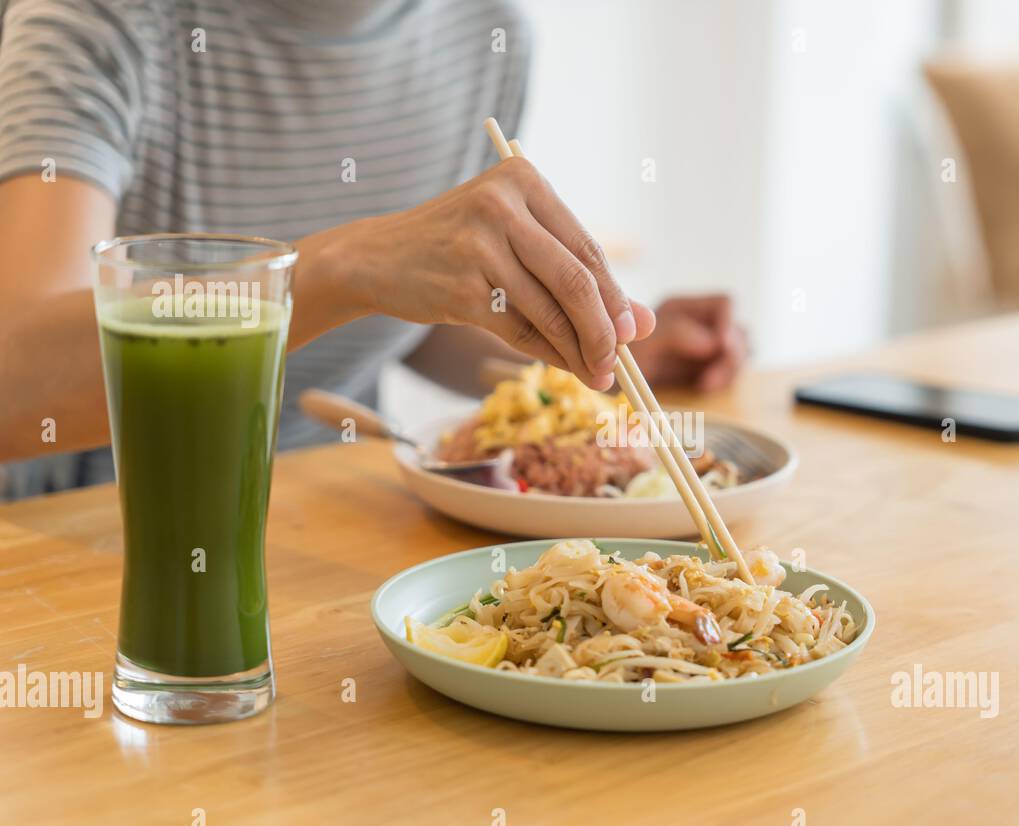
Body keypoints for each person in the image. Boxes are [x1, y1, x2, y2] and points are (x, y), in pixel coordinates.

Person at [0, 0, 745, 499]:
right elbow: (16, 381)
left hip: (336, 514)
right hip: (98, 537)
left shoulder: (485, 29)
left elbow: (410, 316)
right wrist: (336, 269)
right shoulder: (103, 22)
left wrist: (588, 348)